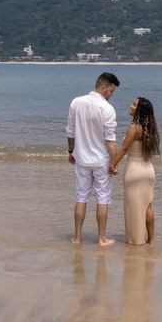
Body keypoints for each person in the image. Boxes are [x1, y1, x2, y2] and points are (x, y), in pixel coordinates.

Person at [67, 72, 120, 246]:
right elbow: (110, 141)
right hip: (101, 161)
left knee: (81, 197)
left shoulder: (76, 102)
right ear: (103, 87)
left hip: (81, 158)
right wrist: (114, 162)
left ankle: (77, 238)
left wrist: (71, 151)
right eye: (111, 91)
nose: (111, 94)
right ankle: (101, 239)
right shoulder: (107, 109)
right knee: (102, 198)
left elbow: (71, 131)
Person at [108, 96, 159, 245]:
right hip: (148, 170)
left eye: (134, 105)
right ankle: (151, 240)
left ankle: (135, 240)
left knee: (132, 206)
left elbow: (124, 149)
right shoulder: (151, 129)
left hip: (134, 170)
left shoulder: (134, 127)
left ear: (139, 110)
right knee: (147, 205)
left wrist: (112, 164)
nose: (131, 106)